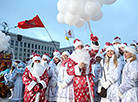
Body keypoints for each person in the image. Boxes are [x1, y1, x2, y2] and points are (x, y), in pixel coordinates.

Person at [66, 34, 100, 102]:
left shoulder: (86, 53)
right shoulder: (72, 57)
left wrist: (94, 42)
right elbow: (68, 71)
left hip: (88, 80)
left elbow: (94, 51)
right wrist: (78, 67)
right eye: (79, 46)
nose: (81, 48)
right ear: (76, 48)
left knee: (89, 97)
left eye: (82, 46)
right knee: (80, 98)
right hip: (79, 81)